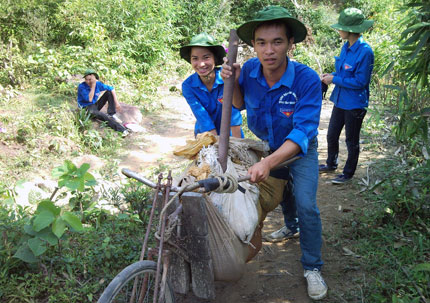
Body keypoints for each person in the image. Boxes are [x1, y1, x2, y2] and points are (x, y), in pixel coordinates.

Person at [221, 5, 327, 300]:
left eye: (277, 42)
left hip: (298, 151)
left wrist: (268, 162)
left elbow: (303, 131)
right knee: (281, 195)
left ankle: (312, 266)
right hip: (267, 146)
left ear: (290, 44)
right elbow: (239, 105)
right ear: (253, 45)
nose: (269, 51)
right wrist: (233, 80)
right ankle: (290, 226)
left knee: (306, 204)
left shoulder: (306, 80)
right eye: (261, 43)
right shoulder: (251, 70)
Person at [320, 8, 374, 184]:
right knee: (331, 134)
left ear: (349, 30)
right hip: (340, 100)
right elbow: (342, 73)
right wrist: (330, 76)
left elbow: (360, 82)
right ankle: (331, 163)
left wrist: (334, 79)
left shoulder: (365, 51)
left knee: (351, 140)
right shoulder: (346, 47)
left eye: (340, 28)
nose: (338, 31)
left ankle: (348, 173)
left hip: (355, 103)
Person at [180, 33, 244, 138]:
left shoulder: (226, 78)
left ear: (215, 58)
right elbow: (202, 116)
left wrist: (238, 145)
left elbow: (234, 113)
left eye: (206, 57)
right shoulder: (188, 86)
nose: (201, 64)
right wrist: (215, 144)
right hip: (206, 135)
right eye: (195, 58)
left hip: (231, 135)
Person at [77, 69, 128, 135]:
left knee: (109, 93)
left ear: (95, 79)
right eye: (87, 79)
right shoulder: (82, 87)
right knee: (103, 116)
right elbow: (90, 99)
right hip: (86, 108)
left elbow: (111, 88)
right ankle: (122, 130)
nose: (88, 81)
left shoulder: (98, 84)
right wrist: (93, 86)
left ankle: (111, 114)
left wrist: (116, 103)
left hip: (94, 105)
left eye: (90, 79)